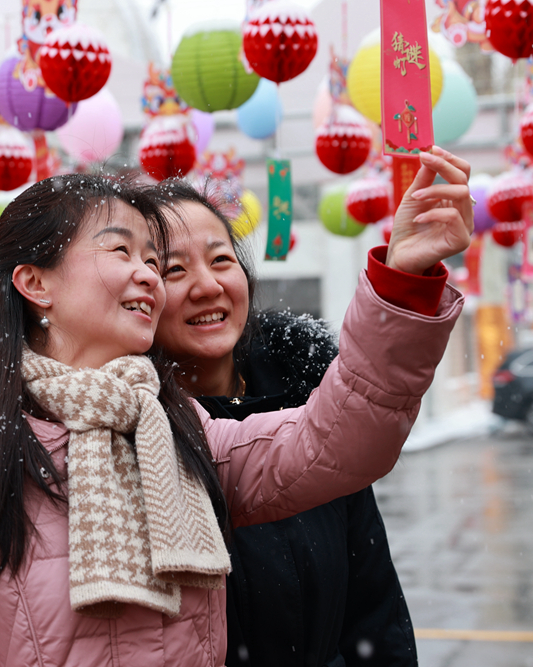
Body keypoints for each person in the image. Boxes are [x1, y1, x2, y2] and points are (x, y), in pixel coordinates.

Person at [0, 149, 472, 667]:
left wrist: (402, 281)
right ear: (35, 284)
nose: (149, 278)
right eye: (124, 252)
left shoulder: (176, 427)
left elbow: (337, 442)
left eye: (150, 261)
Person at [152, 179, 418, 667]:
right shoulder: (130, 438)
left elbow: (375, 609)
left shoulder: (313, 407)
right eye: (174, 269)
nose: (208, 286)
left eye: (221, 260)